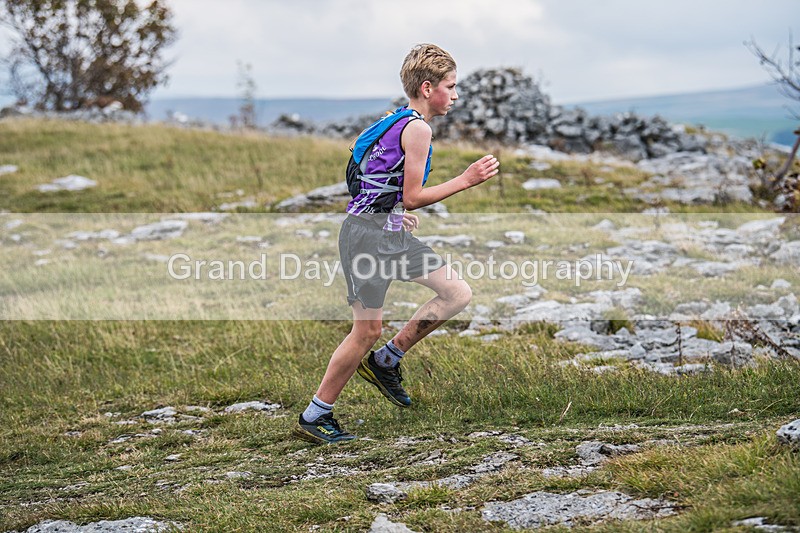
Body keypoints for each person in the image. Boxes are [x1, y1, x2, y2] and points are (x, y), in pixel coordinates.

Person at [293, 43, 499, 444]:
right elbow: (414, 196)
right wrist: (467, 179)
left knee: (455, 291)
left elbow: (374, 180)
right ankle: (315, 415)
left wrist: (388, 212)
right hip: (368, 240)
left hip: (382, 231)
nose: (455, 96)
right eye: (451, 86)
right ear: (427, 88)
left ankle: (387, 361)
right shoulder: (417, 128)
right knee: (365, 331)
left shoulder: (395, 119)